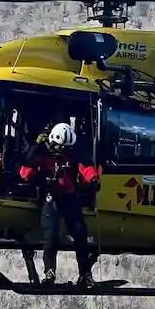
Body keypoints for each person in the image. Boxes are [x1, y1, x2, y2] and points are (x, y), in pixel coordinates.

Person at [18, 122, 101, 286]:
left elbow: (85, 168)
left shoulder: (73, 155)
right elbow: (26, 172)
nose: (64, 150)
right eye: (61, 147)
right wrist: (38, 177)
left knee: (80, 233)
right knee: (51, 237)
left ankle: (85, 274)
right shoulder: (42, 153)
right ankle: (50, 274)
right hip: (51, 198)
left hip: (69, 198)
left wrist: (93, 180)